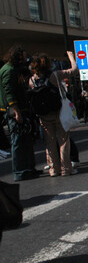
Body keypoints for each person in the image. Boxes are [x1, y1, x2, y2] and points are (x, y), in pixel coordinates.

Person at [28, 51, 79, 177]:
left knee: (50, 142)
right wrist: (71, 57)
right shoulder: (55, 75)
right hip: (59, 111)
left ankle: (54, 169)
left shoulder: (32, 80)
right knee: (63, 140)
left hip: (44, 114)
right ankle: (66, 168)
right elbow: (74, 70)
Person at [0, 45, 38, 181]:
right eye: (22, 57)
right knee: (18, 141)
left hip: (21, 109)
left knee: (25, 140)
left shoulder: (13, 70)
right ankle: (20, 171)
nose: (24, 59)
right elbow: (9, 93)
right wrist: (16, 111)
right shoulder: (8, 71)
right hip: (15, 111)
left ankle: (28, 168)